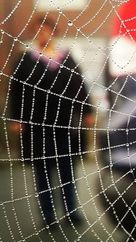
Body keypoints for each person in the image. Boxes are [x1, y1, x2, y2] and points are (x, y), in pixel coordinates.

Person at [9, 15, 94, 228]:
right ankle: (48, 216)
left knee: (67, 170)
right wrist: (17, 118)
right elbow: (17, 91)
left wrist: (87, 111)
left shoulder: (66, 58)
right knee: (43, 171)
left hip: (64, 124)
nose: (42, 34)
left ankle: (71, 212)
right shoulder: (25, 60)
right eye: (38, 31)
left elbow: (79, 86)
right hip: (37, 125)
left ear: (53, 32)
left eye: (46, 30)